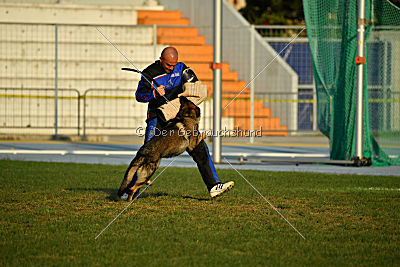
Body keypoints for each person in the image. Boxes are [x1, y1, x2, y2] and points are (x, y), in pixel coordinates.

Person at [119, 46, 234, 200]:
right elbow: (139, 96)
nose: (171, 68)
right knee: (147, 153)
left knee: (199, 147)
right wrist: (153, 93)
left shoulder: (182, 68)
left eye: (173, 65)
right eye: (168, 65)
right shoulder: (150, 73)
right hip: (157, 117)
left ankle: (213, 185)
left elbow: (193, 86)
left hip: (178, 118)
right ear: (161, 60)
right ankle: (129, 192)